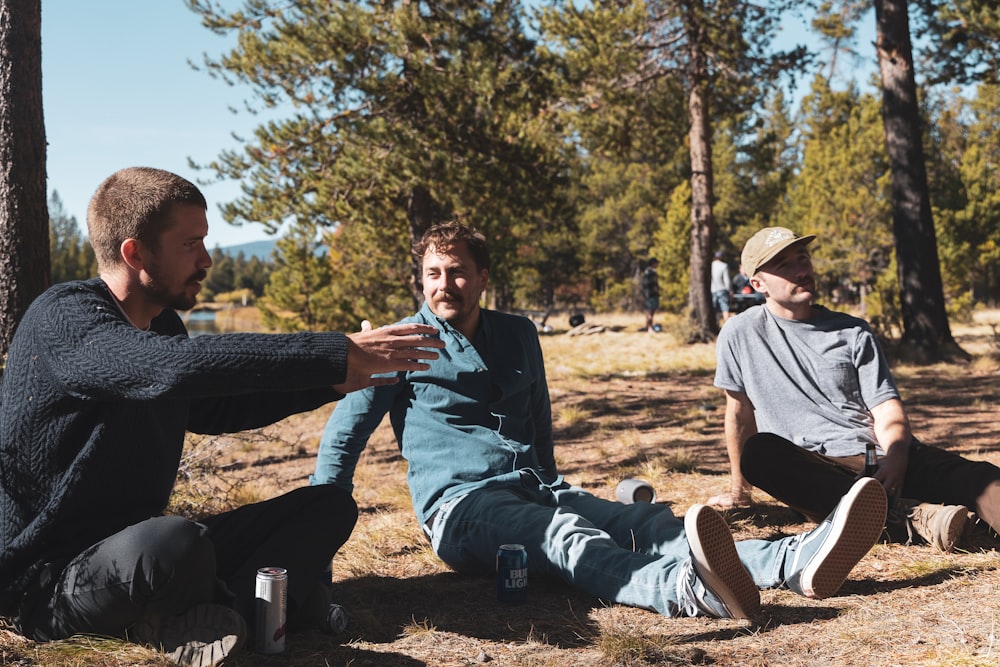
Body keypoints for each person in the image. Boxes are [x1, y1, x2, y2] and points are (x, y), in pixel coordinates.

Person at [311, 221, 889, 622]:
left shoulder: (516, 333)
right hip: (461, 508)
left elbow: (537, 419)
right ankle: (686, 593)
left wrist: (556, 486)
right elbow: (343, 442)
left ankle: (797, 561)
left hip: (537, 489)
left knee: (649, 522)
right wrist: (313, 549)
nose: (443, 285)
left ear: (483, 276)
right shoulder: (400, 345)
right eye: (433, 273)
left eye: (457, 272)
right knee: (566, 537)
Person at [0, 167, 445, 666]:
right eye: (191, 244)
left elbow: (215, 405)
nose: (207, 260)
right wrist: (336, 351)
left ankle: (223, 615)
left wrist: (335, 381)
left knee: (328, 507)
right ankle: (262, 610)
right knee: (174, 542)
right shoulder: (64, 317)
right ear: (135, 252)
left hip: (141, 557)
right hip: (51, 584)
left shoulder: (163, 325)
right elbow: (166, 370)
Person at [709, 226, 1000, 553]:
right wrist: (739, 490)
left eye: (802, 258)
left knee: (982, 479)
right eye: (784, 265)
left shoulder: (852, 331)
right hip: (815, 469)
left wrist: (897, 457)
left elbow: (886, 408)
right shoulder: (739, 333)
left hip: (877, 455)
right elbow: (739, 415)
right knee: (759, 453)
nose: (801, 270)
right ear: (757, 283)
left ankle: (902, 512)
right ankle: (912, 518)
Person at [711, 251, 732, 324]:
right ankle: (727, 324)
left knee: (714, 309)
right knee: (725, 308)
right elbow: (727, 280)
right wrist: (730, 291)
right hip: (722, 289)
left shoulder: (711, 265)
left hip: (712, 290)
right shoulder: (724, 265)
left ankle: (715, 324)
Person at [641, 258, 660, 332]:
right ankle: (650, 328)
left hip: (647, 295)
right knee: (651, 312)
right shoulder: (651, 272)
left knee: (648, 311)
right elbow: (653, 285)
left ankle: (647, 327)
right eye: (656, 263)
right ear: (653, 263)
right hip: (652, 295)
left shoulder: (646, 272)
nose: (657, 265)